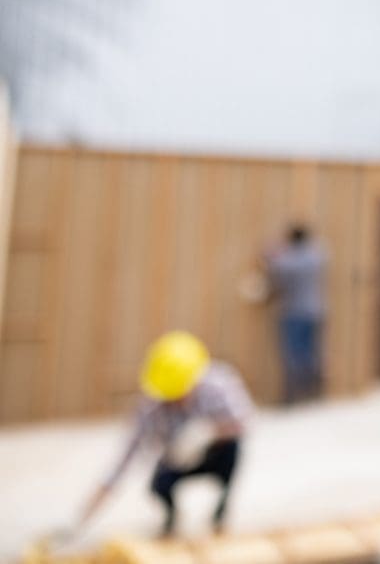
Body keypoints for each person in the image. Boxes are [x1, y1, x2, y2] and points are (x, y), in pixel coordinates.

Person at [77, 332, 253, 537]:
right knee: (159, 484)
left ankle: (220, 514)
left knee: (234, 449)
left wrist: (210, 432)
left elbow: (246, 422)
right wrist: (82, 519)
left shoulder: (218, 385)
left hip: (215, 455)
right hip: (176, 459)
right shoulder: (152, 405)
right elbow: (125, 460)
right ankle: (171, 521)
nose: (175, 399)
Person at [266, 223, 326, 404]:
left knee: (293, 355)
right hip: (316, 311)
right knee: (311, 353)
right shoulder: (317, 255)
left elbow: (276, 266)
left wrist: (273, 252)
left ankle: (292, 396)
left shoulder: (290, 261)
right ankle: (313, 391)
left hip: (294, 312)